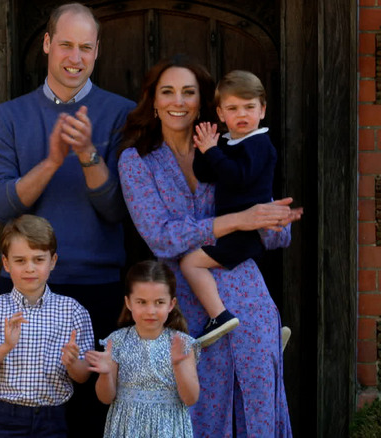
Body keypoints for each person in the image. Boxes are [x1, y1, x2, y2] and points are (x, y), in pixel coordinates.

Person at [117, 55, 302, 437]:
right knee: (195, 413)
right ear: (154, 101)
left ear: (201, 103)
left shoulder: (231, 148)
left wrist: (275, 221)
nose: (178, 101)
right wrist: (237, 220)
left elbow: (265, 226)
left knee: (257, 405)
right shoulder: (137, 161)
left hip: (247, 295)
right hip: (182, 304)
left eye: (188, 92)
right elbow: (160, 236)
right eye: (167, 92)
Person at [0, 3, 135, 435]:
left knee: (92, 417)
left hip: (99, 289)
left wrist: (88, 155)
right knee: (26, 413)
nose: (75, 57)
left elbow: (119, 210)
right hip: (25, 290)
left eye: (86, 47)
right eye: (65, 44)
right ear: (47, 44)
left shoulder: (123, 114)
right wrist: (51, 162)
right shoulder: (9, 117)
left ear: (98, 51)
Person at [0, 215, 94, 437]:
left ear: (52, 261)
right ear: (6, 263)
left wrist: (72, 363)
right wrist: (5, 347)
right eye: (20, 260)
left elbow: (83, 377)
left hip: (53, 417)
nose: (30, 268)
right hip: (5, 416)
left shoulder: (73, 311)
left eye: (38, 259)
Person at [180, 70, 281, 347]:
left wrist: (213, 151)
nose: (242, 114)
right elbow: (206, 174)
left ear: (262, 110)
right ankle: (265, 332)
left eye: (249, 107)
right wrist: (205, 148)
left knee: (190, 262)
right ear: (221, 114)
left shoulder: (260, 144)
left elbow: (239, 177)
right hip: (232, 228)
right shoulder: (229, 142)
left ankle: (219, 316)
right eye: (233, 108)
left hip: (245, 232)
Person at [87, 260, 199, 438]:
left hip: (168, 429)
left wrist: (178, 366)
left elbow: (190, 398)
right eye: (142, 302)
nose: (150, 310)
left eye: (159, 302)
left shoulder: (182, 343)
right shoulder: (116, 341)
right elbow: (105, 398)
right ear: (129, 302)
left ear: (171, 304)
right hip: (127, 427)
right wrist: (105, 374)